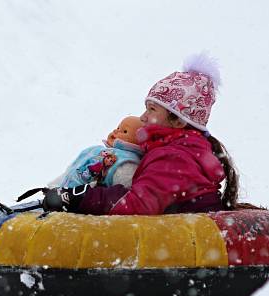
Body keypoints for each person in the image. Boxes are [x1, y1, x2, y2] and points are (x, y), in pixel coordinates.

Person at [39, 53, 241, 215]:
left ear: (179, 120)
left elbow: (138, 204)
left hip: (183, 242)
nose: (143, 117)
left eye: (152, 110)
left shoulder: (174, 156)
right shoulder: (183, 149)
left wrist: (81, 197)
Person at [48, 116, 144, 189]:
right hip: (60, 194)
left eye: (124, 131)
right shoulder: (95, 149)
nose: (116, 131)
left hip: (78, 204)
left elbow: (125, 188)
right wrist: (54, 185)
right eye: (118, 127)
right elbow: (73, 170)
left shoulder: (126, 162)